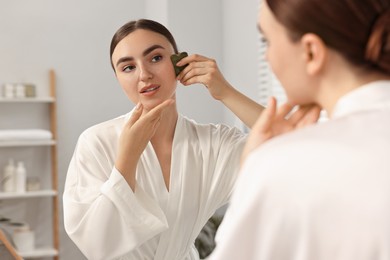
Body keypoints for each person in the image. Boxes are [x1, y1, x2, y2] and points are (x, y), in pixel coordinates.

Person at [63, 19, 318, 260]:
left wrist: (225, 92)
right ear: (119, 78)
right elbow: (95, 241)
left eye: (156, 58)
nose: (144, 74)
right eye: (128, 67)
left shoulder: (212, 144)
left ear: (179, 63)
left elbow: (295, 146)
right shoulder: (95, 142)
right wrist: (127, 160)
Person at [209, 0, 390, 259]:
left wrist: (257, 166)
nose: (266, 57)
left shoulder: (282, 165)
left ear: (311, 52)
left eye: (267, 41)